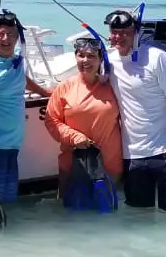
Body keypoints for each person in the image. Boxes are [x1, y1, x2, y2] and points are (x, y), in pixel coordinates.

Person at [104, 9, 166, 212]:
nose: (118, 37)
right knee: (138, 219)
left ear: (135, 31)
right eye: (114, 32)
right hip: (132, 155)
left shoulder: (157, 58)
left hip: (165, 153)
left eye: (125, 32)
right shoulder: (109, 62)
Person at [0, 10, 51, 205]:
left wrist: (45, 93)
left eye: (11, 34)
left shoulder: (17, 59)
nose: (6, 38)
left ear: (17, 37)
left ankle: (4, 237)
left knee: (8, 202)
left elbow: (20, 79)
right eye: (0, 33)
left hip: (13, 145)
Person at [43, 36, 124, 192]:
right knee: (72, 215)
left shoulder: (113, 86)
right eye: (81, 55)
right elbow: (51, 120)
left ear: (101, 59)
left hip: (110, 166)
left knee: (110, 214)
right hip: (74, 165)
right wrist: (74, 137)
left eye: (92, 56)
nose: (85, 60)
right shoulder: (65, 87)